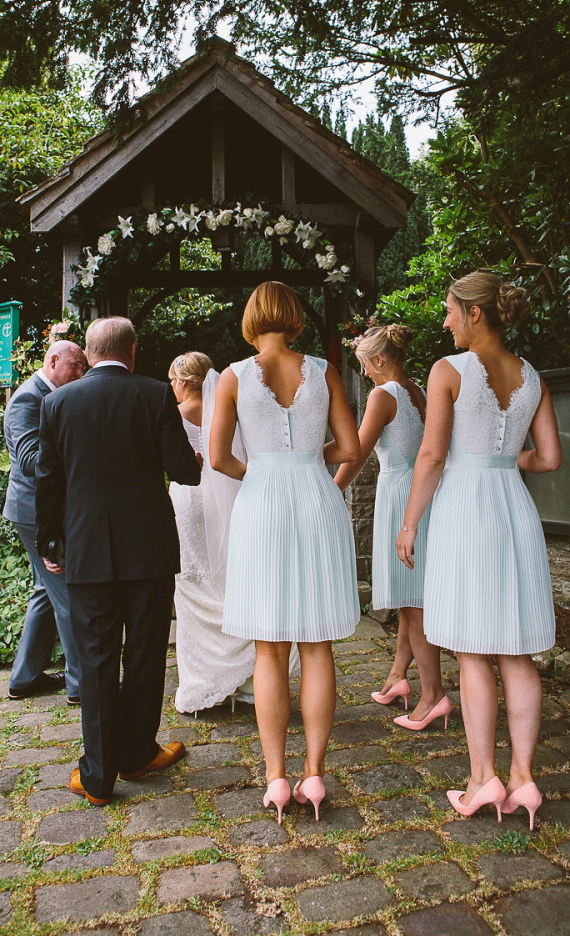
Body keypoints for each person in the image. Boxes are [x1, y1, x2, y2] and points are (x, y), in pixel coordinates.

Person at [398, 272, 561, 829]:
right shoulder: (531, 374)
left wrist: (409, 522)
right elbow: (548, 458)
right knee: (515, 651)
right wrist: (503, 463)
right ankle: (523, 778)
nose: (444, 321)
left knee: (472, 650)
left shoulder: (449, 371)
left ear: (473, 313)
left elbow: (431, 456)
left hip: (465, 512)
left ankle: (480, 779)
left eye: (448, 310)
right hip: (513, 510)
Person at [35, 316, 201, 805]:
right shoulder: (154, 395)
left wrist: (50, 543)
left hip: (86, 550)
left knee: (96, 658)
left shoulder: (56, 402)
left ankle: (98, 776)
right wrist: (190, 456)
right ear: (132, 350)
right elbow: (184, 472)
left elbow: (48, 479)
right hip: (147, 550)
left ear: (88, 354)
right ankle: (136, 753)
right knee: (147, 654)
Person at [211, 282, 360, 823]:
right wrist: (305, 461)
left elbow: (218, 456)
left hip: (263, 503)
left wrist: (264, 473)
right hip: (317, 498)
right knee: (317, 645)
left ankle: (276, 777)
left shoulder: (233, 376)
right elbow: (350, 448)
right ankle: (314, 774)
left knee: (270, 649)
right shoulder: (324, 372)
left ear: (252, 319)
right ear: (295, 317)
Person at [334, 324, 448, 730]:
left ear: (379, 360)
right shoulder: (416, 388)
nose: (364, 372)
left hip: (401, 496)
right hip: (425, 496)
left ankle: (433, 694)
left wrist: (331, 493)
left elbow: (356, 453)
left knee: (412, 605)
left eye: (364, 363)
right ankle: (398, 678)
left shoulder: (384, 395)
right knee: (409, 597)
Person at [168, 351, 255, 714]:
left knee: (191, 581)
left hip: (190, 499)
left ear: (185, 382)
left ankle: (204, 683)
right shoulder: (227, 407)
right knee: (225, 577)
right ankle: (245, 681)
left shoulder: (179, 414)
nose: (171, 387)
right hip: (228, 497)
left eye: (173, 380)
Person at [3, 340, 86, 704]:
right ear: (53, 361)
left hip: (42, 509)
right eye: (76, 366)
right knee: (67, 593)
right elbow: (29, 461)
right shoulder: (28, 398)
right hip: (35, 513)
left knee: (45, 592)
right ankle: (82, 684)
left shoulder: (52, 395)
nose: (81, 373)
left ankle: (26, 677)